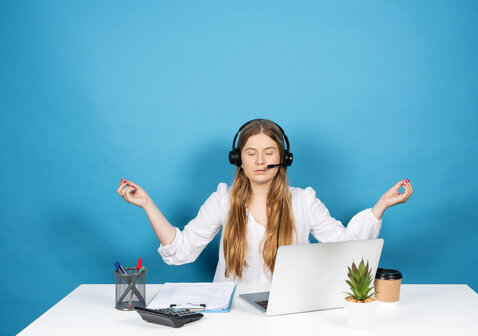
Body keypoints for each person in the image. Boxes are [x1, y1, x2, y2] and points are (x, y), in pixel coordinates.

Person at [117, 119, 413, 284]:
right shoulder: (223, 199)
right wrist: (147, 204)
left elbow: (346, 246)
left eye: (269, 152)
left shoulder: (304, 201)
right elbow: (181, 251)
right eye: (250, 152)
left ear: (284, 159)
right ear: (238, 160)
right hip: (230, 317)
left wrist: (379, 208)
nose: (260, 161)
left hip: (288, 319)